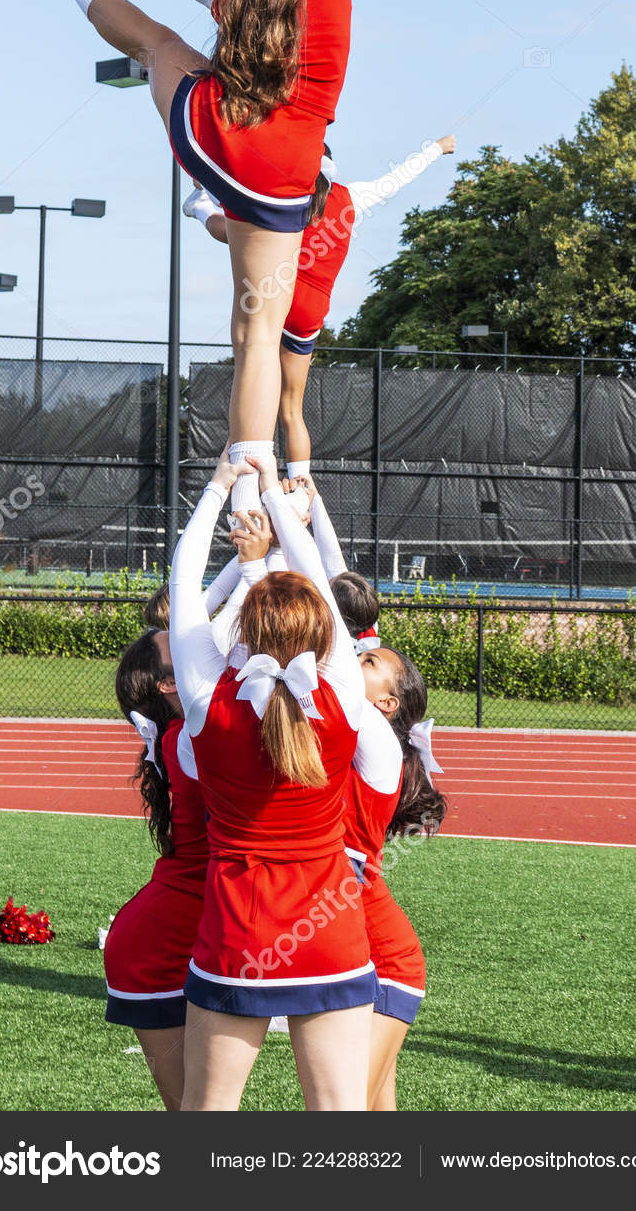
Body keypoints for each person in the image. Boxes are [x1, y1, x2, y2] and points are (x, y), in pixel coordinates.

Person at [51, 0, 496, 519]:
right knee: (257, 335)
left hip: (214, 137)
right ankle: (248, 493)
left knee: (160, 42)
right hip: (284, 179)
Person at [167, 447, 377, 1111]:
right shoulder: (343, 694)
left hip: (237, 933)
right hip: (330, 929)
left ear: (248, 630)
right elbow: (317, 574)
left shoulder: (206, 700)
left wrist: (223, 485)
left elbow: (182, 587)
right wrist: (288, 506)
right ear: (324, 632)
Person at [184, 133, 456, 478]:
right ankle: (301, 487)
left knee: (254, 393)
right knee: (290, 411)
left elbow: (239, 188)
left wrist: (204, 181)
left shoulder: (282, 190)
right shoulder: (351, 197)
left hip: (273, 297)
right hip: (309, 313)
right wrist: (436, 148)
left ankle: (246, 486)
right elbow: (398, 178)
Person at [105, 626, 207, 1109]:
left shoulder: (195, 726)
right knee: (195, 1111)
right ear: (169, 684)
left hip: (184, 933)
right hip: (153, 955)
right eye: (181, 648)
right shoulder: (190, 735)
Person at [351, 644, 447, 1109]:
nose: (354, 659)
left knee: (347, 1101)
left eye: (369, 662)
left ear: (387, 704)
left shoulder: (378, 742)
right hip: (357, 958)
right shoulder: (349, 732)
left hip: (386, 964)